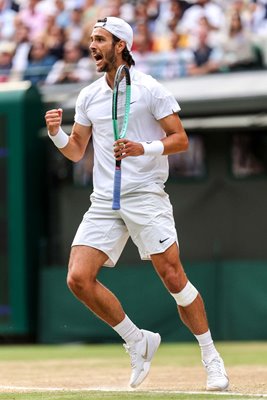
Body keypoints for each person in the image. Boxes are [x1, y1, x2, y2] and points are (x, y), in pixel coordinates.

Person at [45, 16, 229, 391]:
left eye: (100, 39)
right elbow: (77, 151)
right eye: (91, 39)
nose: (92, 46)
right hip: (103, 201)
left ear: (121, 45)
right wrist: (56, 135)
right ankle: (137, 339)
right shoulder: (88, 95)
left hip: (145, 195)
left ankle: (211, 357)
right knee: (78, 278)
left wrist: (141, 148)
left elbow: (180, 139)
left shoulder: (150, 88)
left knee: (174, 278)